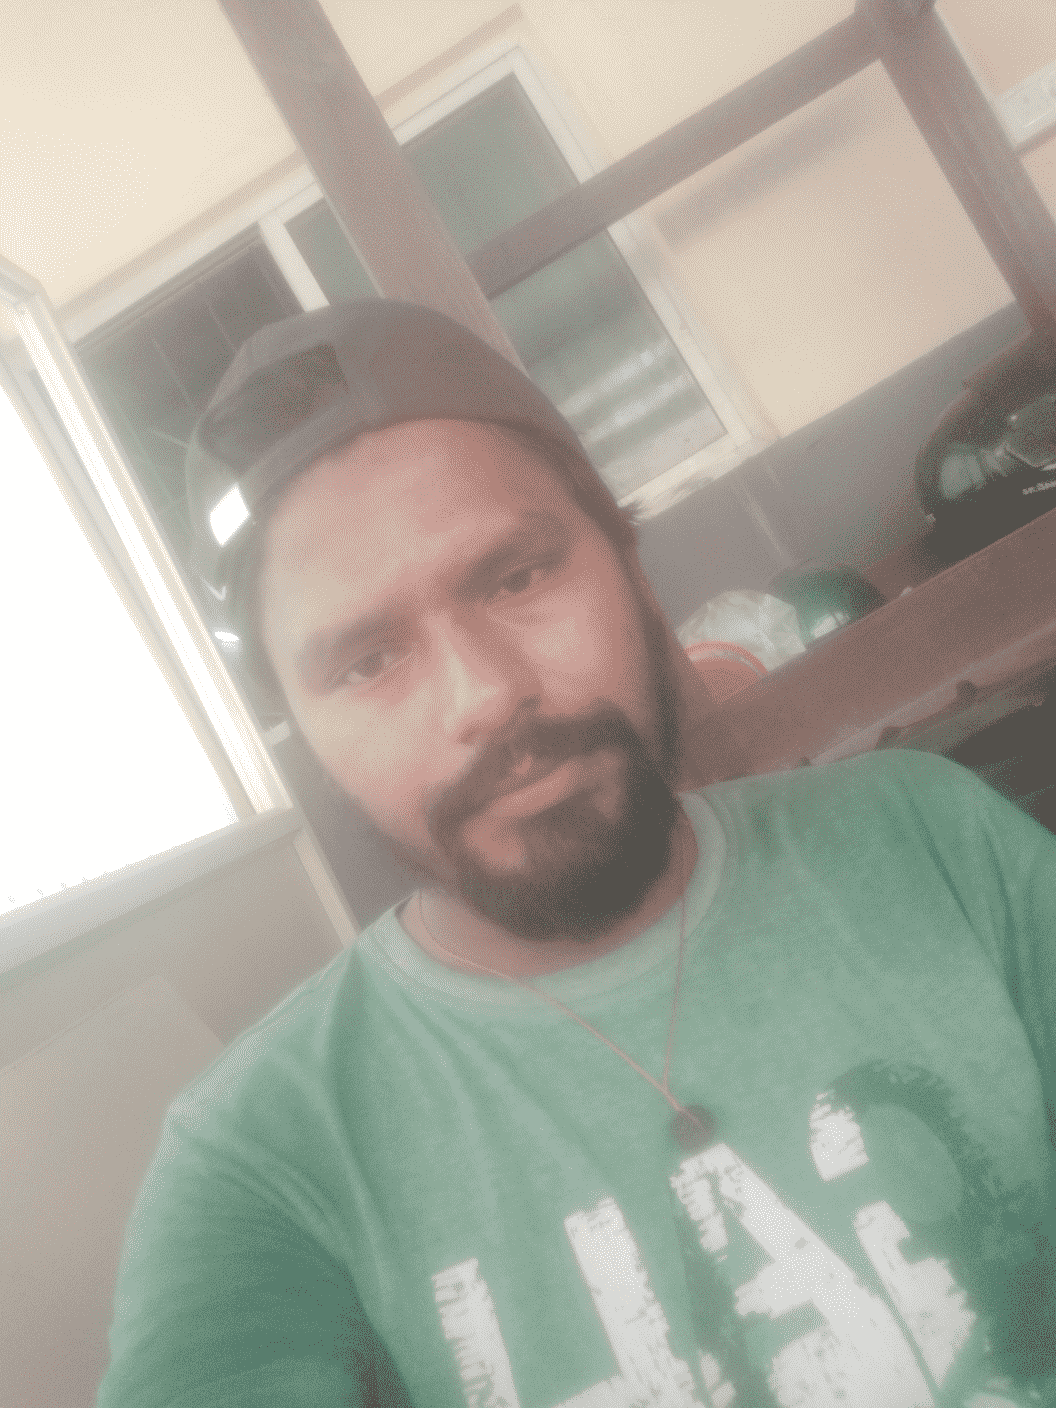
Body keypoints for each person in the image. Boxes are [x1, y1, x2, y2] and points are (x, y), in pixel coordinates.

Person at [96, 301, 1056, 1408]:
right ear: (302, 731)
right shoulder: (267, 1159)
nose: (485, 693)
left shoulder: (928, 838)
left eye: (516, 578)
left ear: (629, 563)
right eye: (366, 661)